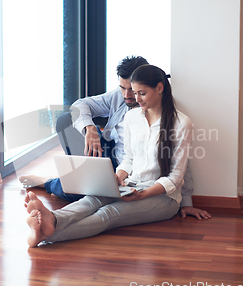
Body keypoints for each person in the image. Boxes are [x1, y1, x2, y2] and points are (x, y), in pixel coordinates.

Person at [20, 56, 210, 220]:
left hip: (131, 172)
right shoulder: (119, 97)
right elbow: (79, 105)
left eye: (135, 91)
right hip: (112, 157)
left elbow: (178, 164)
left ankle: (49, 183)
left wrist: (186, 202)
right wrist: (90, 129)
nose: (128, 96)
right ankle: (71, 182)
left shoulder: (167, 113)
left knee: (81, 193)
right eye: (123, 88)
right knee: (66, 121)